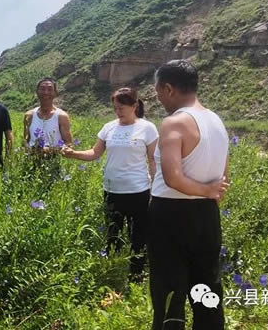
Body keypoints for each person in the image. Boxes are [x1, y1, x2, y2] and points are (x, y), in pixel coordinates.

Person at [148, 60, 230, 330]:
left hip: (171, 214)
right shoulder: (216, 121)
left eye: (158, 90)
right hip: (206, 214)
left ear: (169, 88)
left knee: (169, 288)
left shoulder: (175, 122)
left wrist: (205, 190)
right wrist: (209, 193)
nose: (157, 97)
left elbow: (173, 178)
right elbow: (224, 176)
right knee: (207, 287)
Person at [62, 87, 157, 281]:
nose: (118, 112)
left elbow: (153, 160)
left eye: (121, 107)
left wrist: (156, 188)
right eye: (115, 108)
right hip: (112, 190)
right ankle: (112, 272)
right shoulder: (109, 127)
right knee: (113, 234)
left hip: (138, 191)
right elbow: (95, 153)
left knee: (137, 235)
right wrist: (73, 154)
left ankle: (136, 275)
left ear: (134, 105)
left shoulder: (147, 128)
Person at [23, 78, 73, 188]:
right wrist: (29, 149)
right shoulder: (29, 115)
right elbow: (25, 140)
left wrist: (49, 150)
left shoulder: (61, 116)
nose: (46, 92)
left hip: (52, 164)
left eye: (50, 89)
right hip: (31, 163)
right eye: (42, 89)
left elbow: (68, 144)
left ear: (55, 93)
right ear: (37, 92)